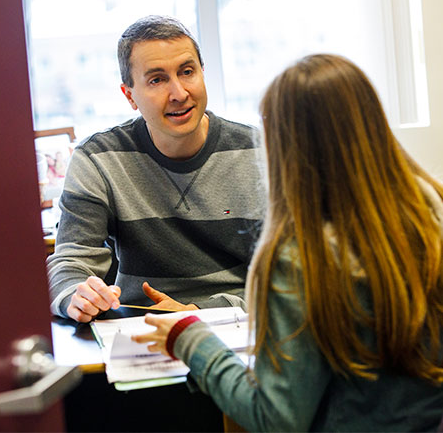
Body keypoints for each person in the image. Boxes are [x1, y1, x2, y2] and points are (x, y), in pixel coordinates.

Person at [133, 54, 443, 431]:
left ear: (285, 148)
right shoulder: (428, 215)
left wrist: (190, 337)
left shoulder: (303, 258)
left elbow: (276, 418)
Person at [47, 15, 264, 322]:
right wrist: (75, 295)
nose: (178, 93)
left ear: (203, 73)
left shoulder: (261, 152)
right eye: (157, 80)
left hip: (240, 326)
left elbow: (292, 281)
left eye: (187, 72)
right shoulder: (97, 158)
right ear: (130, 96)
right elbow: (69, 261)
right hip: (139, 329)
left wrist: (201, 314)